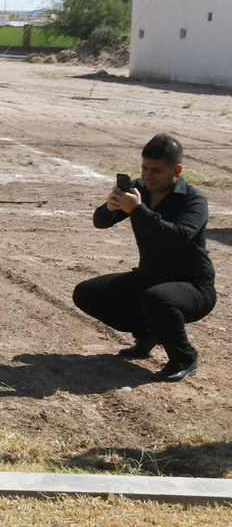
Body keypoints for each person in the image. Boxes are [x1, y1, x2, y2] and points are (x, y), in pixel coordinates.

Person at [73, 134, 217, 382]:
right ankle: (149, 332)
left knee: (157, 298)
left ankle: (184, 358)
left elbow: (177, 237)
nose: (148, 176)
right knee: (87, 293)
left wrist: (139, 210)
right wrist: (110, 207)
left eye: (157, 171)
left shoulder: (193, 200)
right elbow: (100, 222)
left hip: (194, 287)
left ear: (177, 170)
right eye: (144, 168)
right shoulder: (141, 189)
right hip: (150, 279)